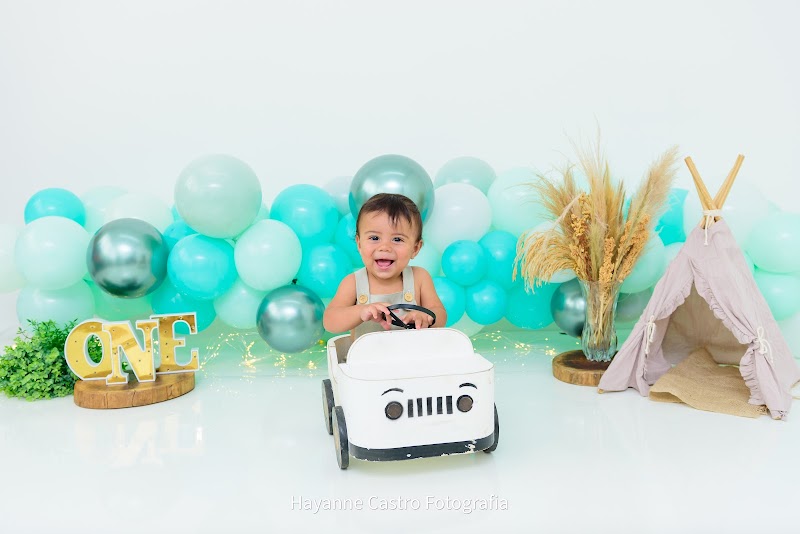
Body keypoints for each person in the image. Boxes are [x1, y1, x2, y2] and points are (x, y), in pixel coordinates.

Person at [323, 193, 447, 339]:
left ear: (415, 248)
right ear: (359, 244)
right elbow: (330, 322)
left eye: (397, 239)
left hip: (413, 356)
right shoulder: (353, 283)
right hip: (366, 359)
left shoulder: (419, 278)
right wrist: (361, 311)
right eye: (374, 238)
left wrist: (427, 317)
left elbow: (440, 314)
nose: (385, 247)